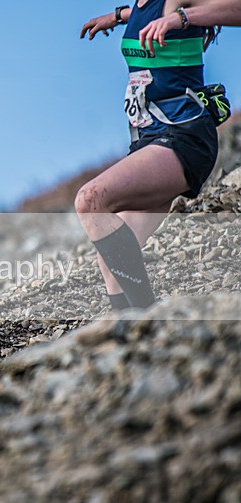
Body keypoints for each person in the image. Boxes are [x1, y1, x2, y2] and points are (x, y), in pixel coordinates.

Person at [77, 0, 239, 310]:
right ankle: (133, 335)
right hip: (150, 139)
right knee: (110, 259)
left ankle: (149, 319)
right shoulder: (141, 6)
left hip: (184, 136)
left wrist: (181, 18)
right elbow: (138, 14)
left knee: (90, 199)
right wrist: (114, 17)